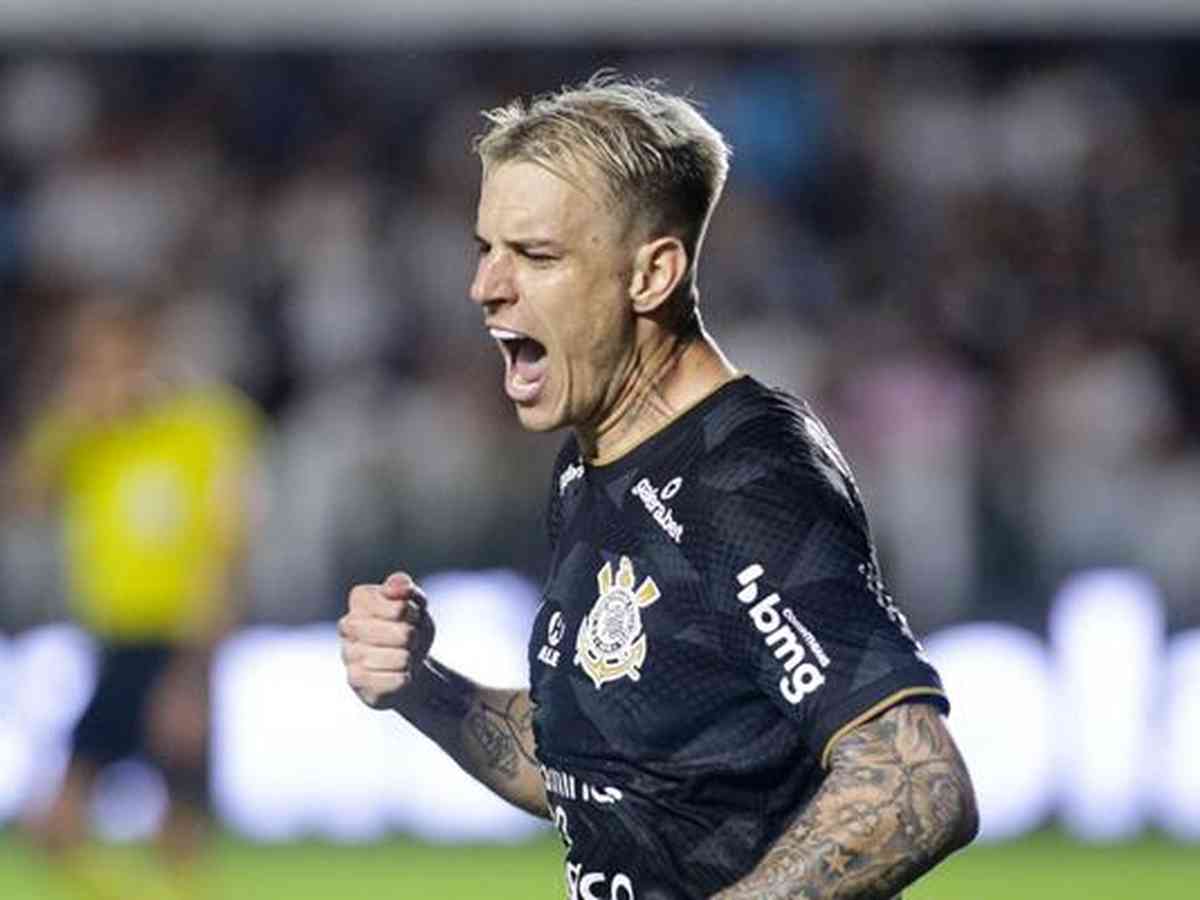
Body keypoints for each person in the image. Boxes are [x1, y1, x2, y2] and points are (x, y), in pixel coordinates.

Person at [339, 74, 978, 899]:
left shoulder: (744, 480)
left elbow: (914, 787)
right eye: (485, 248)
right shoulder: (593, 458)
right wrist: (426, 692)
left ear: (652, 276)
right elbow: (609, 766)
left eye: (535, 255)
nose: (486, 287)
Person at [10, 297, 261, 900]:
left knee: (177, 823)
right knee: (60, 823)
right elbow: (23, 495)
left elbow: (227, 546)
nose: (107, 377)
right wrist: (74, 419)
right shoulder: (86, 435)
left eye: (117, 360)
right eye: (92, 363)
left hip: (179, 635)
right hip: (114, 638)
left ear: (147, 358)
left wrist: (195, 668)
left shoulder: (202, 426)